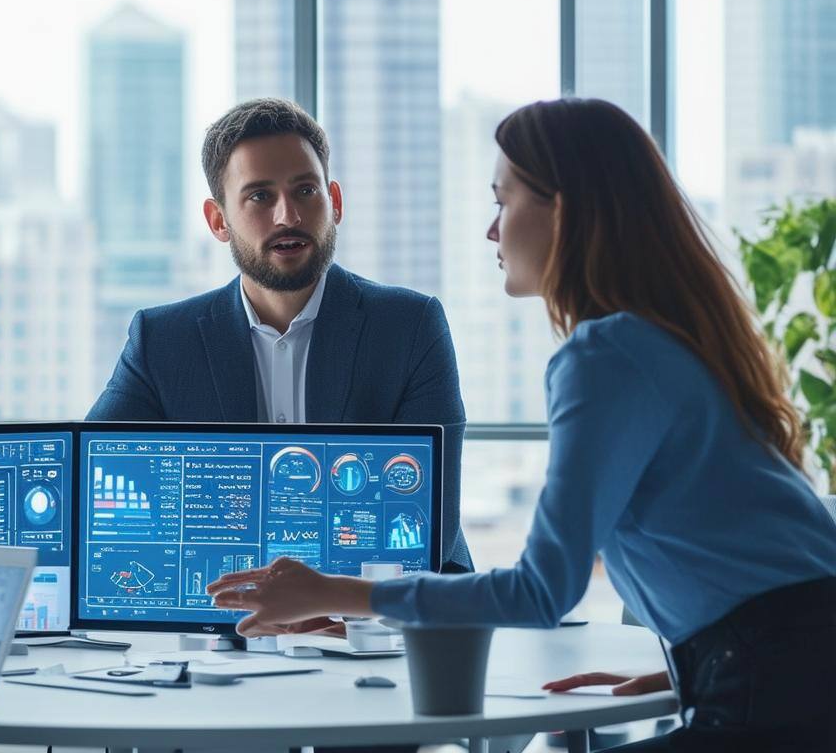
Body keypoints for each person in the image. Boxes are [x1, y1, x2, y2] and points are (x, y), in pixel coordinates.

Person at [208, 98, 836, 752]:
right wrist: (686, 672)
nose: (491, 230)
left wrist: (335, 592)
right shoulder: (667, 338)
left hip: (773, 692)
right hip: (785, 674)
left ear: (561, 209)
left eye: (502, 202)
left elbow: (544, 592)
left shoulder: (605, 356)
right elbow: (782, 554)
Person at [88, 98, 472, 572]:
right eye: (259, 196)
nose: (287, 216)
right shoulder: (162, 341)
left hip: (378, 623)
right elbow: (90, 481)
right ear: (218, 220)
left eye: (305, 190)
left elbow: (430, 523)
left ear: (334, 202)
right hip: (223, 619)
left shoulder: (411, 326)